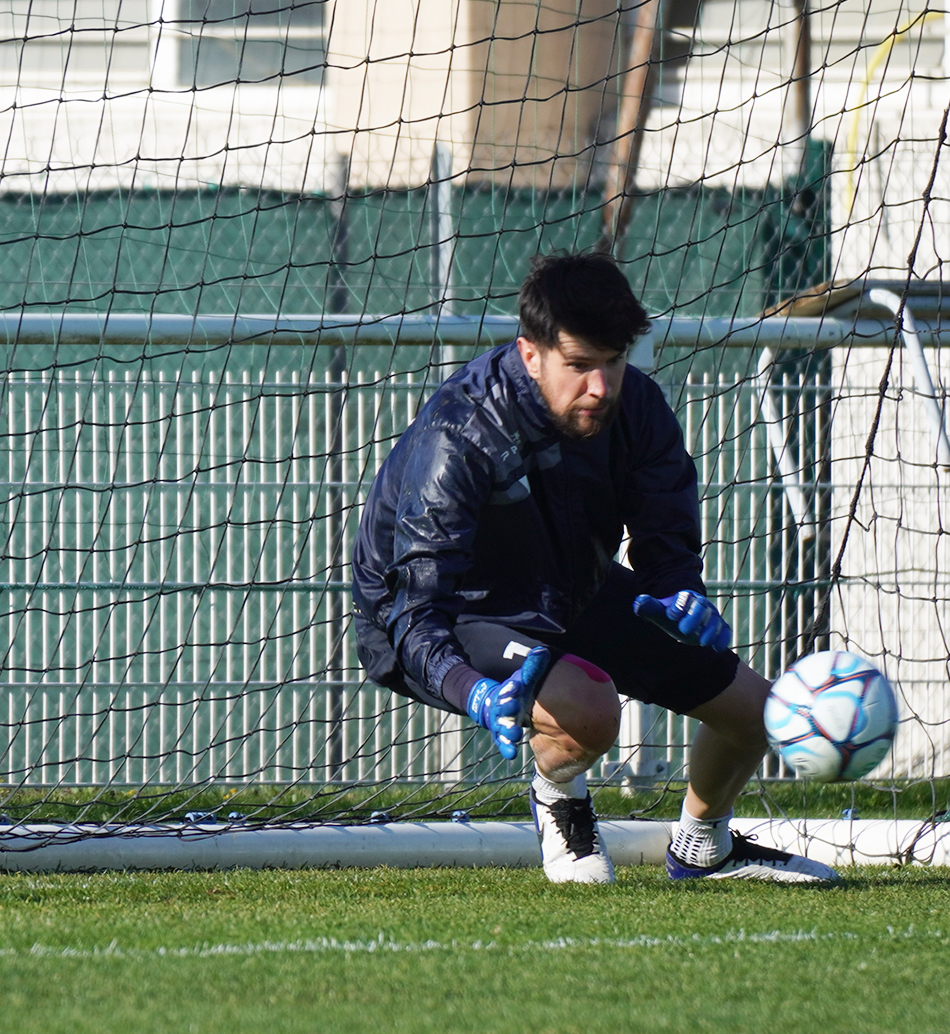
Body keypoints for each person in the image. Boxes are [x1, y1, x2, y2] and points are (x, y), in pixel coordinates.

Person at [351, 251, 836, 885]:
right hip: (461, 609)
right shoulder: (462, 433)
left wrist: (683, 596)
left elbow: (667, 541)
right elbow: (413, 612)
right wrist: (471, 690)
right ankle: (562, 804)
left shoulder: (637, 407)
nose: (600, 386)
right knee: (591, 709)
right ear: (532, 355)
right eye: (579, 366)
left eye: (612, 361)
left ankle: (702, 847)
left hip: (571, 586)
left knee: (757, 713)